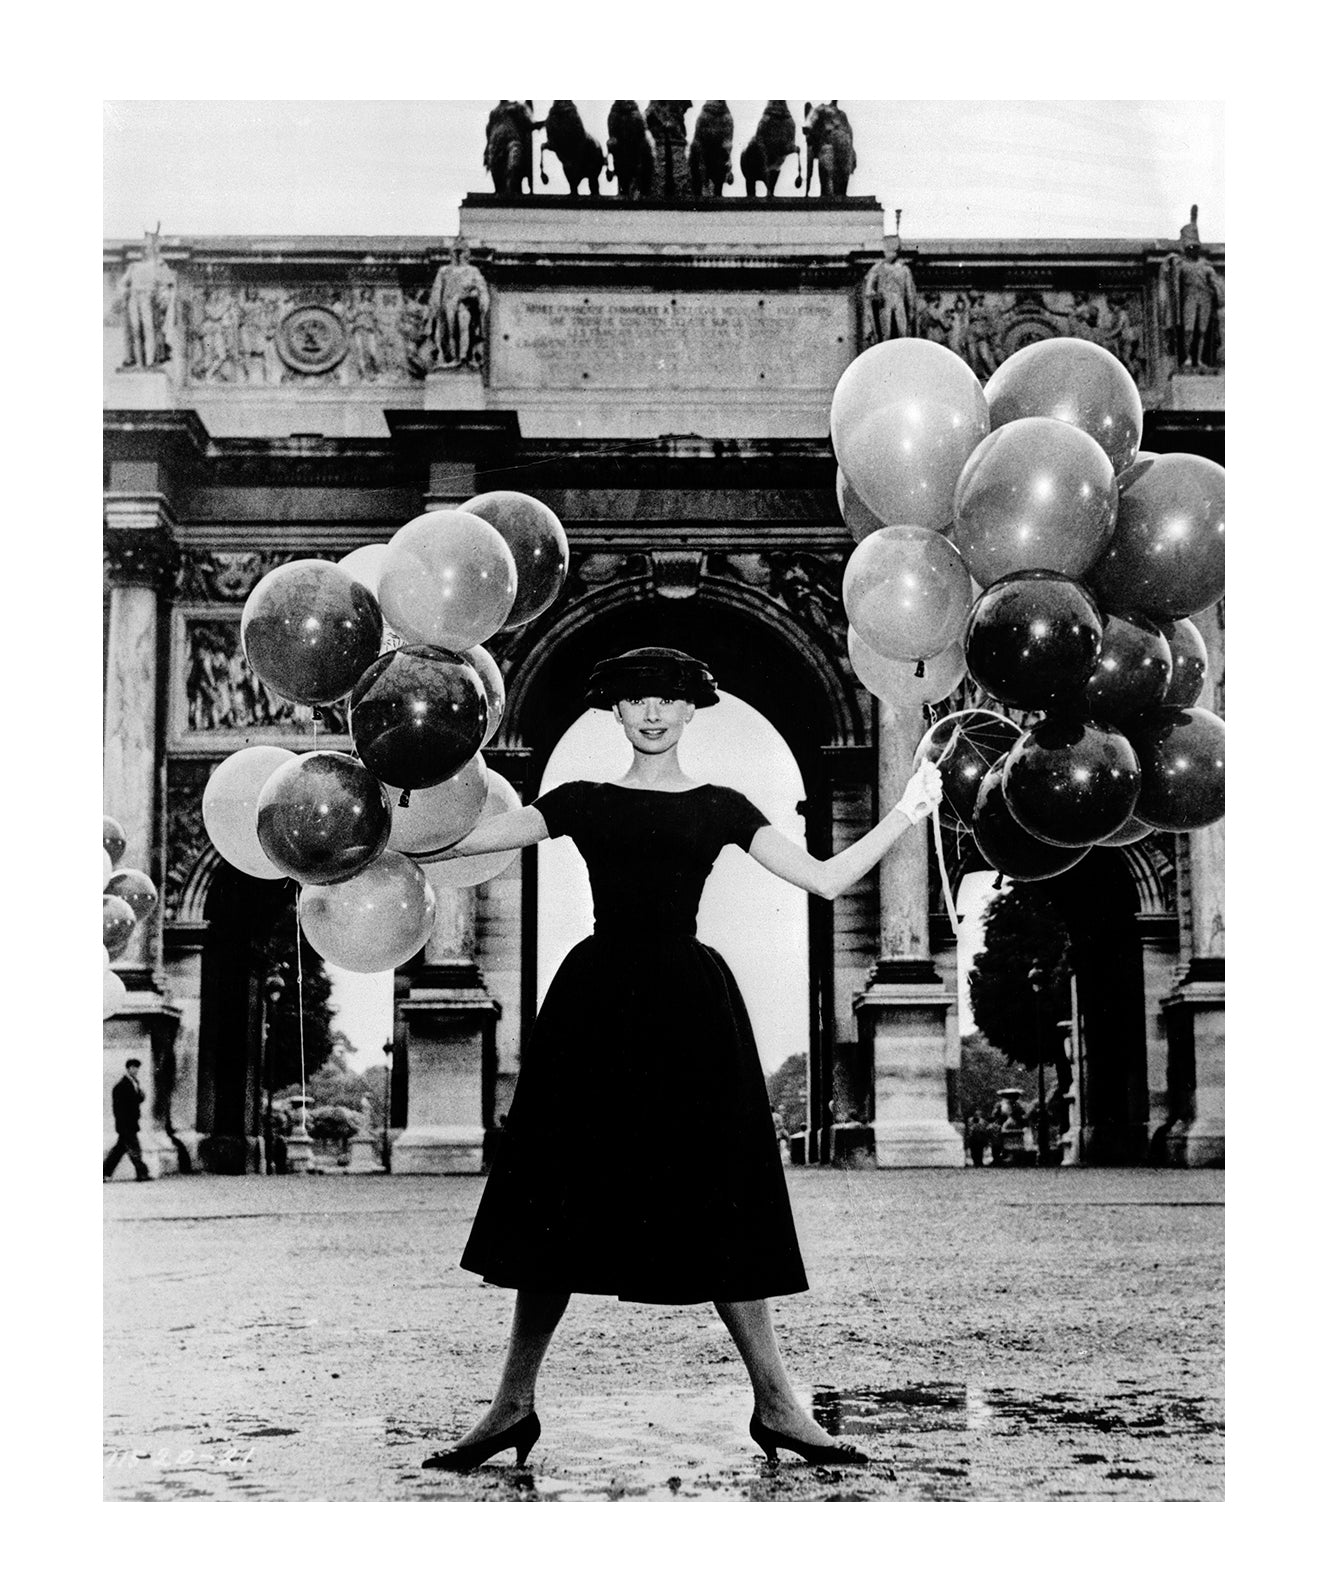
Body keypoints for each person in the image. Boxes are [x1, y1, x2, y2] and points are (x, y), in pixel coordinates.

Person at [418, 646, 943, 1472]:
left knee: (720, 1199)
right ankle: (509, 1406)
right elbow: (456, 843)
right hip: (595, 1009)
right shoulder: (577, 800)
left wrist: (908, 808)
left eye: (668, 697)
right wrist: (381, 819)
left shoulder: (720, 805)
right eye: (635, 699)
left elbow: (827, 878)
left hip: (687, 1012)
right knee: (557, 1201)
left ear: (693, 708)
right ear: (615, 712)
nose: (653, 712)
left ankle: (778, 1403)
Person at [104, 1058, 151, 1182]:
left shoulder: (133, 1083)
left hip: (129, 1124)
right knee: (135, 1149)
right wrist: (123, 1125)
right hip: (126, 1125)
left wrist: (140, 1097)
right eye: (133, 1068)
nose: (136, 1070)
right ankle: (142, 1173)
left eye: (137, 1068)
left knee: (118, 1150)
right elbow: (119, 1108)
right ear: (128, 1068)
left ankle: (103, 1172)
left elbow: (134, 1101)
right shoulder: (121, 1086)